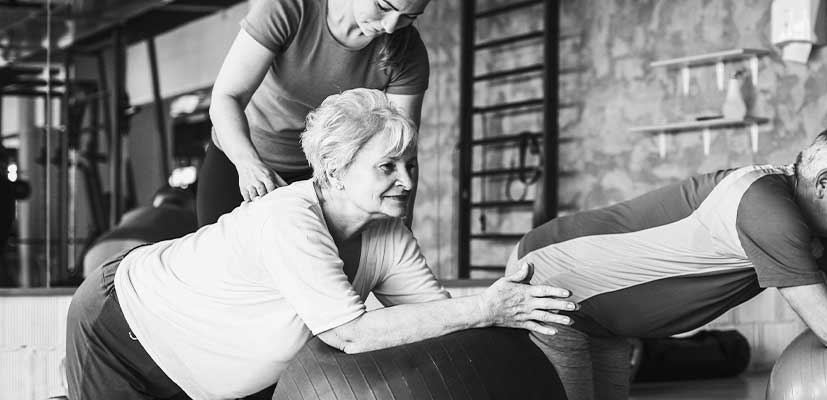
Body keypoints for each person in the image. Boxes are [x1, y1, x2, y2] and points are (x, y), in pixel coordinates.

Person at [65, 89, 576, 400]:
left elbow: (439, 325)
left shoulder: (388, 237)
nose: (405, 180)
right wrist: (485, 306)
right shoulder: (289, 219)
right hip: (122, 326)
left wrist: (504, 310)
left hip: (199, 371)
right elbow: (349, 334)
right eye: (387, 166)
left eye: (410, 164)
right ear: (333, 171)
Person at [506, 123, 827, 400]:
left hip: (606, 320)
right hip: (556, 283)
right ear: (825, 181)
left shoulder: (824, 230)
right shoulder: (769, 209)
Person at [198, 0, 432, 226]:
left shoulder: (408, 51)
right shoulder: (287, 8)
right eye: (383, 6)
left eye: (409, 16)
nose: (391, 26)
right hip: (241, 157)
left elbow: (400, 148)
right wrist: (248, 164)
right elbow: (226, 97)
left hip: (322, 175)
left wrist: (402, 229)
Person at [81, 186, 198, 277]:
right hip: (144, 250)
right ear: (190, 204)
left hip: (98, 250)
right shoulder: (189, 217)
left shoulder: (135, 213)